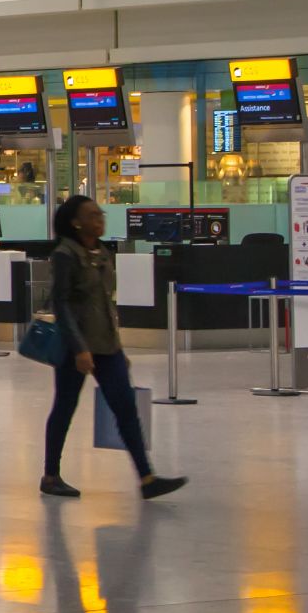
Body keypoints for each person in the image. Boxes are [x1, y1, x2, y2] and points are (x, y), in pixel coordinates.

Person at [44, 194, 187, 501]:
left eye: (101, 214)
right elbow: (61, 304)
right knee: (65, 408)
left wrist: (118, 345)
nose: (100, 220)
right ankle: (51, 476)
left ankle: (147, 478)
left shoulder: (102, 252)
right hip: (75, 347)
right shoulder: (65, 255)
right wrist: (79, 349)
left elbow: (105, 302)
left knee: (125, 407)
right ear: (76, 222)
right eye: (92, 215)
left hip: (107, 345)